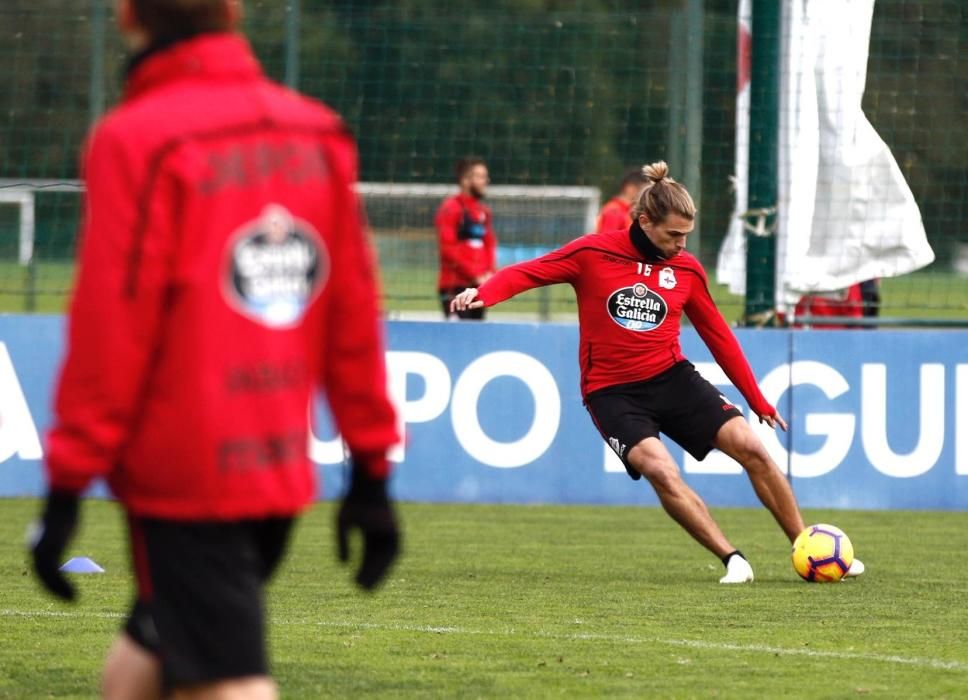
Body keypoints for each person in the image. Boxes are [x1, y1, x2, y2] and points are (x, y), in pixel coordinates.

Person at [28, 2, 401, 698]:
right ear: (233, 14)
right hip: (276, 471)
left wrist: (66, 485)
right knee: (140, 664)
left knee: (228, 682)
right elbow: (351, 318)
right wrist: (372, 472)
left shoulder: (137, 139)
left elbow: (112, 329)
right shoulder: (316, 132)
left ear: (128, 15)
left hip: (185, 478)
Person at [453, 161, 865, 584]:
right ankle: (733, 559)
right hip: (612, 393)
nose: (681, 244)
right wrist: (483, 294)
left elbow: (717, 334)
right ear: (645, 220)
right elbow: (528, 272)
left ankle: (809, 549)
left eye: (686, 234)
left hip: (672, 378)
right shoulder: (592, 253)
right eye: (673, 234)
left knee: (752, 447)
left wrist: (756, 399)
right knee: (661, 469)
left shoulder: (685, 268)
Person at [435, 156, 497, 320]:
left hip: (478, 288)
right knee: (458, 338)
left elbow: (489, 244)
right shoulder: (451, 208)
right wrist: (474, 273)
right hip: (454, 286)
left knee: (476, 337)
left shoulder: (484, 211)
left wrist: (489, 273)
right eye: (481, 176)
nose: (486, 181)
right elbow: (447, 249)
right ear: (465, 180)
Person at [595, 167, 648, 234]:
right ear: (630, 188)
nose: (647, 195)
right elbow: (607, 241)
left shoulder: (627, 210)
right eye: (644, 190)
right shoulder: (614, 211)